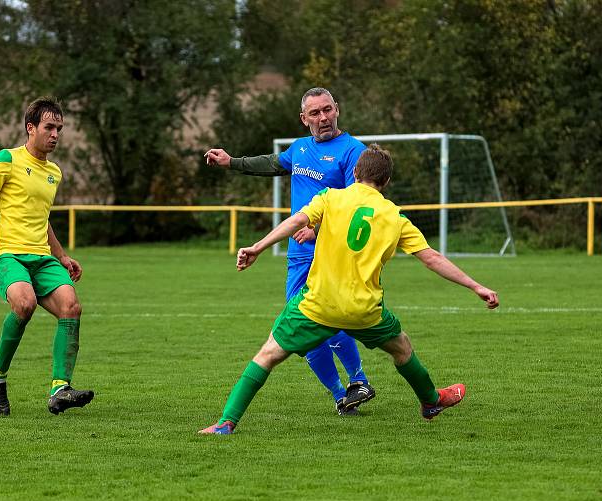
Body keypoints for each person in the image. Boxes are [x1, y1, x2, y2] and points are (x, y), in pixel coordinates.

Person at [199, 144, 499, 435]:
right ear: (386, 181)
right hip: (364, 312)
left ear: (355, 172)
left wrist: (257, 247)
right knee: (403, 348)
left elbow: (297, 220)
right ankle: (431, 402)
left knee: (266, 356)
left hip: (317, 305)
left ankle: (226, 423)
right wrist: (476, 286)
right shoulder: (395, 217)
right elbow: (432, 258)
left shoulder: (330, 197)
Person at [204, 87, 375, 416]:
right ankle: (343, 394)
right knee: (302, 329)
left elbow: (360, 205)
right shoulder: (299, 150)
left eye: (327, 109)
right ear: (303, 119)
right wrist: (231, 162)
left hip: (332, 253)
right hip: (299, 257)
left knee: (323, 318)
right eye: (315, 113)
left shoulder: (354, 151)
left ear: (337, 108)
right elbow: (270, 163)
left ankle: (358, 379)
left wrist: (318, 227)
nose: (323, 117)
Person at [0, 97, 94, 416]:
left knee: (71, 306)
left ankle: (60, 389)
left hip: (41, 256)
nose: (56, 134)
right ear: (31, 128)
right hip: (6, 253)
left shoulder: (54, 172)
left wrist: (62, 256)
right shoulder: (6, 160)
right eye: (49, 127)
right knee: (25, 303)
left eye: (60, 128)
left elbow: (42, 219)